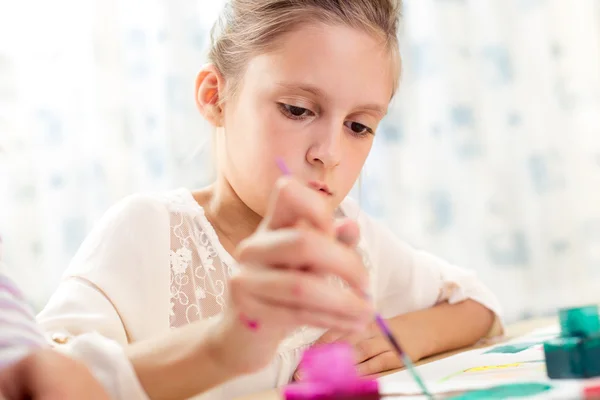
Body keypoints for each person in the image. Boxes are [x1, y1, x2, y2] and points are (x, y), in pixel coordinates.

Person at [36, 1, 503, 399]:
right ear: (214, 96)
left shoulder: (349, 239)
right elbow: (35, 380)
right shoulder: (148, 232)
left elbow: (478, 303)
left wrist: (402, 334)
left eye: (359, 125)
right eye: (298, 110)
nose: (329, 154)